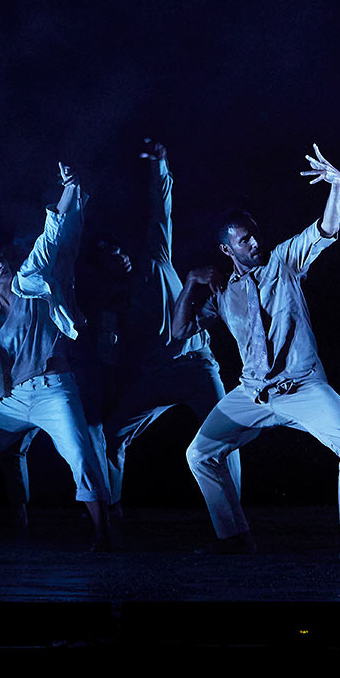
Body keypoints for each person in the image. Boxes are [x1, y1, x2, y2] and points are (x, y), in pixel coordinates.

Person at [172, 146, 340, 563]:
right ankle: (235, 537)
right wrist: (191, 282)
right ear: (228, 250)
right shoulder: (222, 294)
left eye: (255, 235)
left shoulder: (283, 261)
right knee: (199, 454)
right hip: (253, 394)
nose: (255, 243)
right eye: (245, 240)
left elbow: (325, 231)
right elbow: (178, 332)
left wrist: (337, 185)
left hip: (303, 386)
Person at [0, 163, 112, 550]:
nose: (0, 263)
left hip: (54, 388)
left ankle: (103, 533)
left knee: (80, 455)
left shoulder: (29, 281)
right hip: (16, 399)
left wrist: (69, 187)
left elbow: (51, 237)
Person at [87, 138, 241, 512]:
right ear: (102, 266)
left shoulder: (153, 259)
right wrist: (110, 323)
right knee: (111, 436)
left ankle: (235, 519)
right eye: (108, 255)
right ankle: (112, 511)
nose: (119, 256)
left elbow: (160, 212)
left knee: (224, 437)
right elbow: (110, 359)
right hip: (156, 374)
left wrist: (159, 166)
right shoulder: (110, 306)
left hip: (196, 364)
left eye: (118, 249)